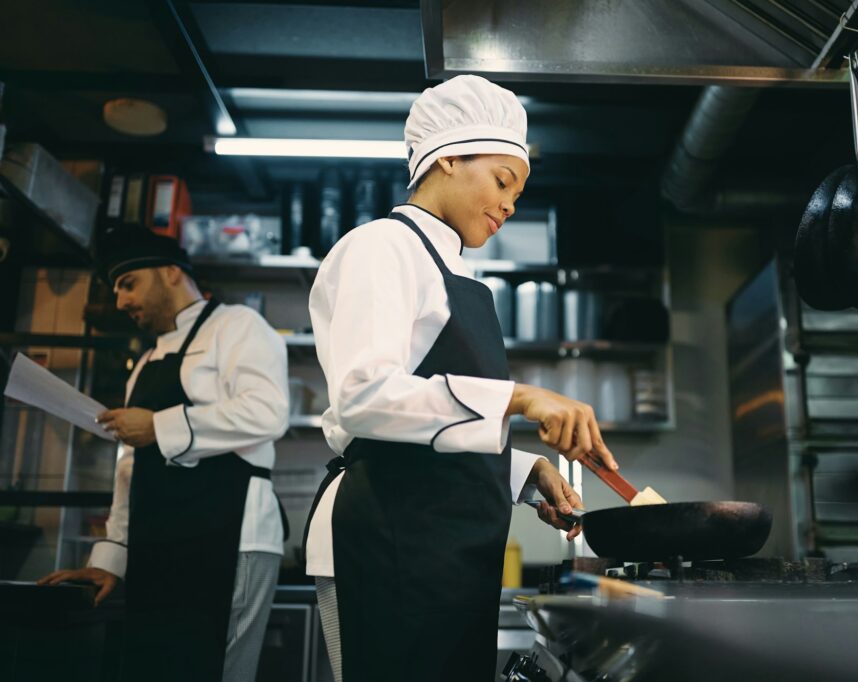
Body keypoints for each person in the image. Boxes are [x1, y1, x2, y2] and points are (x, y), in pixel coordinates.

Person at [304, 74, 619, 682]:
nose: (509, 204)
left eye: (519, 193)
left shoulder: (457, 277)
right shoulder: (382, 247)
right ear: (447, 157)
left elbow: (427, 426)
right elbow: (366, 399)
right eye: (502, 181)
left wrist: (525, 471)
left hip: (443, 551)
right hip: (386, 540)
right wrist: (520, 397)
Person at [38, 228, 290, 682]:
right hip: (161, 548)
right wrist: (109, 561)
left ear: (172, 272)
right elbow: (129, 471)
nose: (120, 302)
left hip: (232, 536)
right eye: (116, 290)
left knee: (218, 669)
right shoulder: (147, 362)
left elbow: (267, 412)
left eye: (128, 284)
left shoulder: (237, 325)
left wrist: (158, 426)